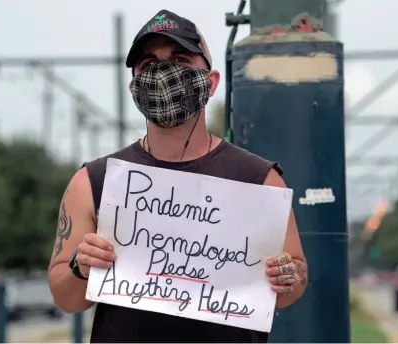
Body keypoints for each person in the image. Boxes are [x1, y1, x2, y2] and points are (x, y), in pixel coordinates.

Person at [48, 9, 308, 343]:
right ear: (134, 87)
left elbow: (292, 285)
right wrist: (80, 266)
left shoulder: (259, 180)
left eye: (180, 59)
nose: (163, 71)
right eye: (147, 64)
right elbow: (65, 299)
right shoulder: (93, 182)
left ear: (210, 83)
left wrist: (286, 275)